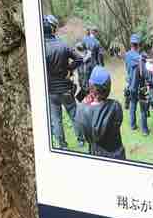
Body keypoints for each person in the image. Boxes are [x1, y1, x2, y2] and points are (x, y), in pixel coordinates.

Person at [43, 15, 80, 149]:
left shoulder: (41, 48)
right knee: (74, 114)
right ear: (53, 29)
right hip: (65, 88)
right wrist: (69, 69)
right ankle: (81, 140)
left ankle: (62, 145)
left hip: (51, 91)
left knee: (56, 119)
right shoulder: (63, 44)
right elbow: (79, 59)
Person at [74, 66, 126, 159]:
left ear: (91, 86)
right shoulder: (115, 106)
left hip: (96, 153)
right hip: (116, 154)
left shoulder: (81, 110)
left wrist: (85, 105)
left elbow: (82, 130)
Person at [123, 34, 150, 135]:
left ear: (131, 44)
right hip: (140, 86)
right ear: (138, 45)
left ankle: (133, 125)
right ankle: (144, 130)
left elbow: (127, 69)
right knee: (143, 109)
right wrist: (150, 81)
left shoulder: (127, 55)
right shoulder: (140, 58)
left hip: (131, 85)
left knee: (133, 104)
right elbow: (145, 74)